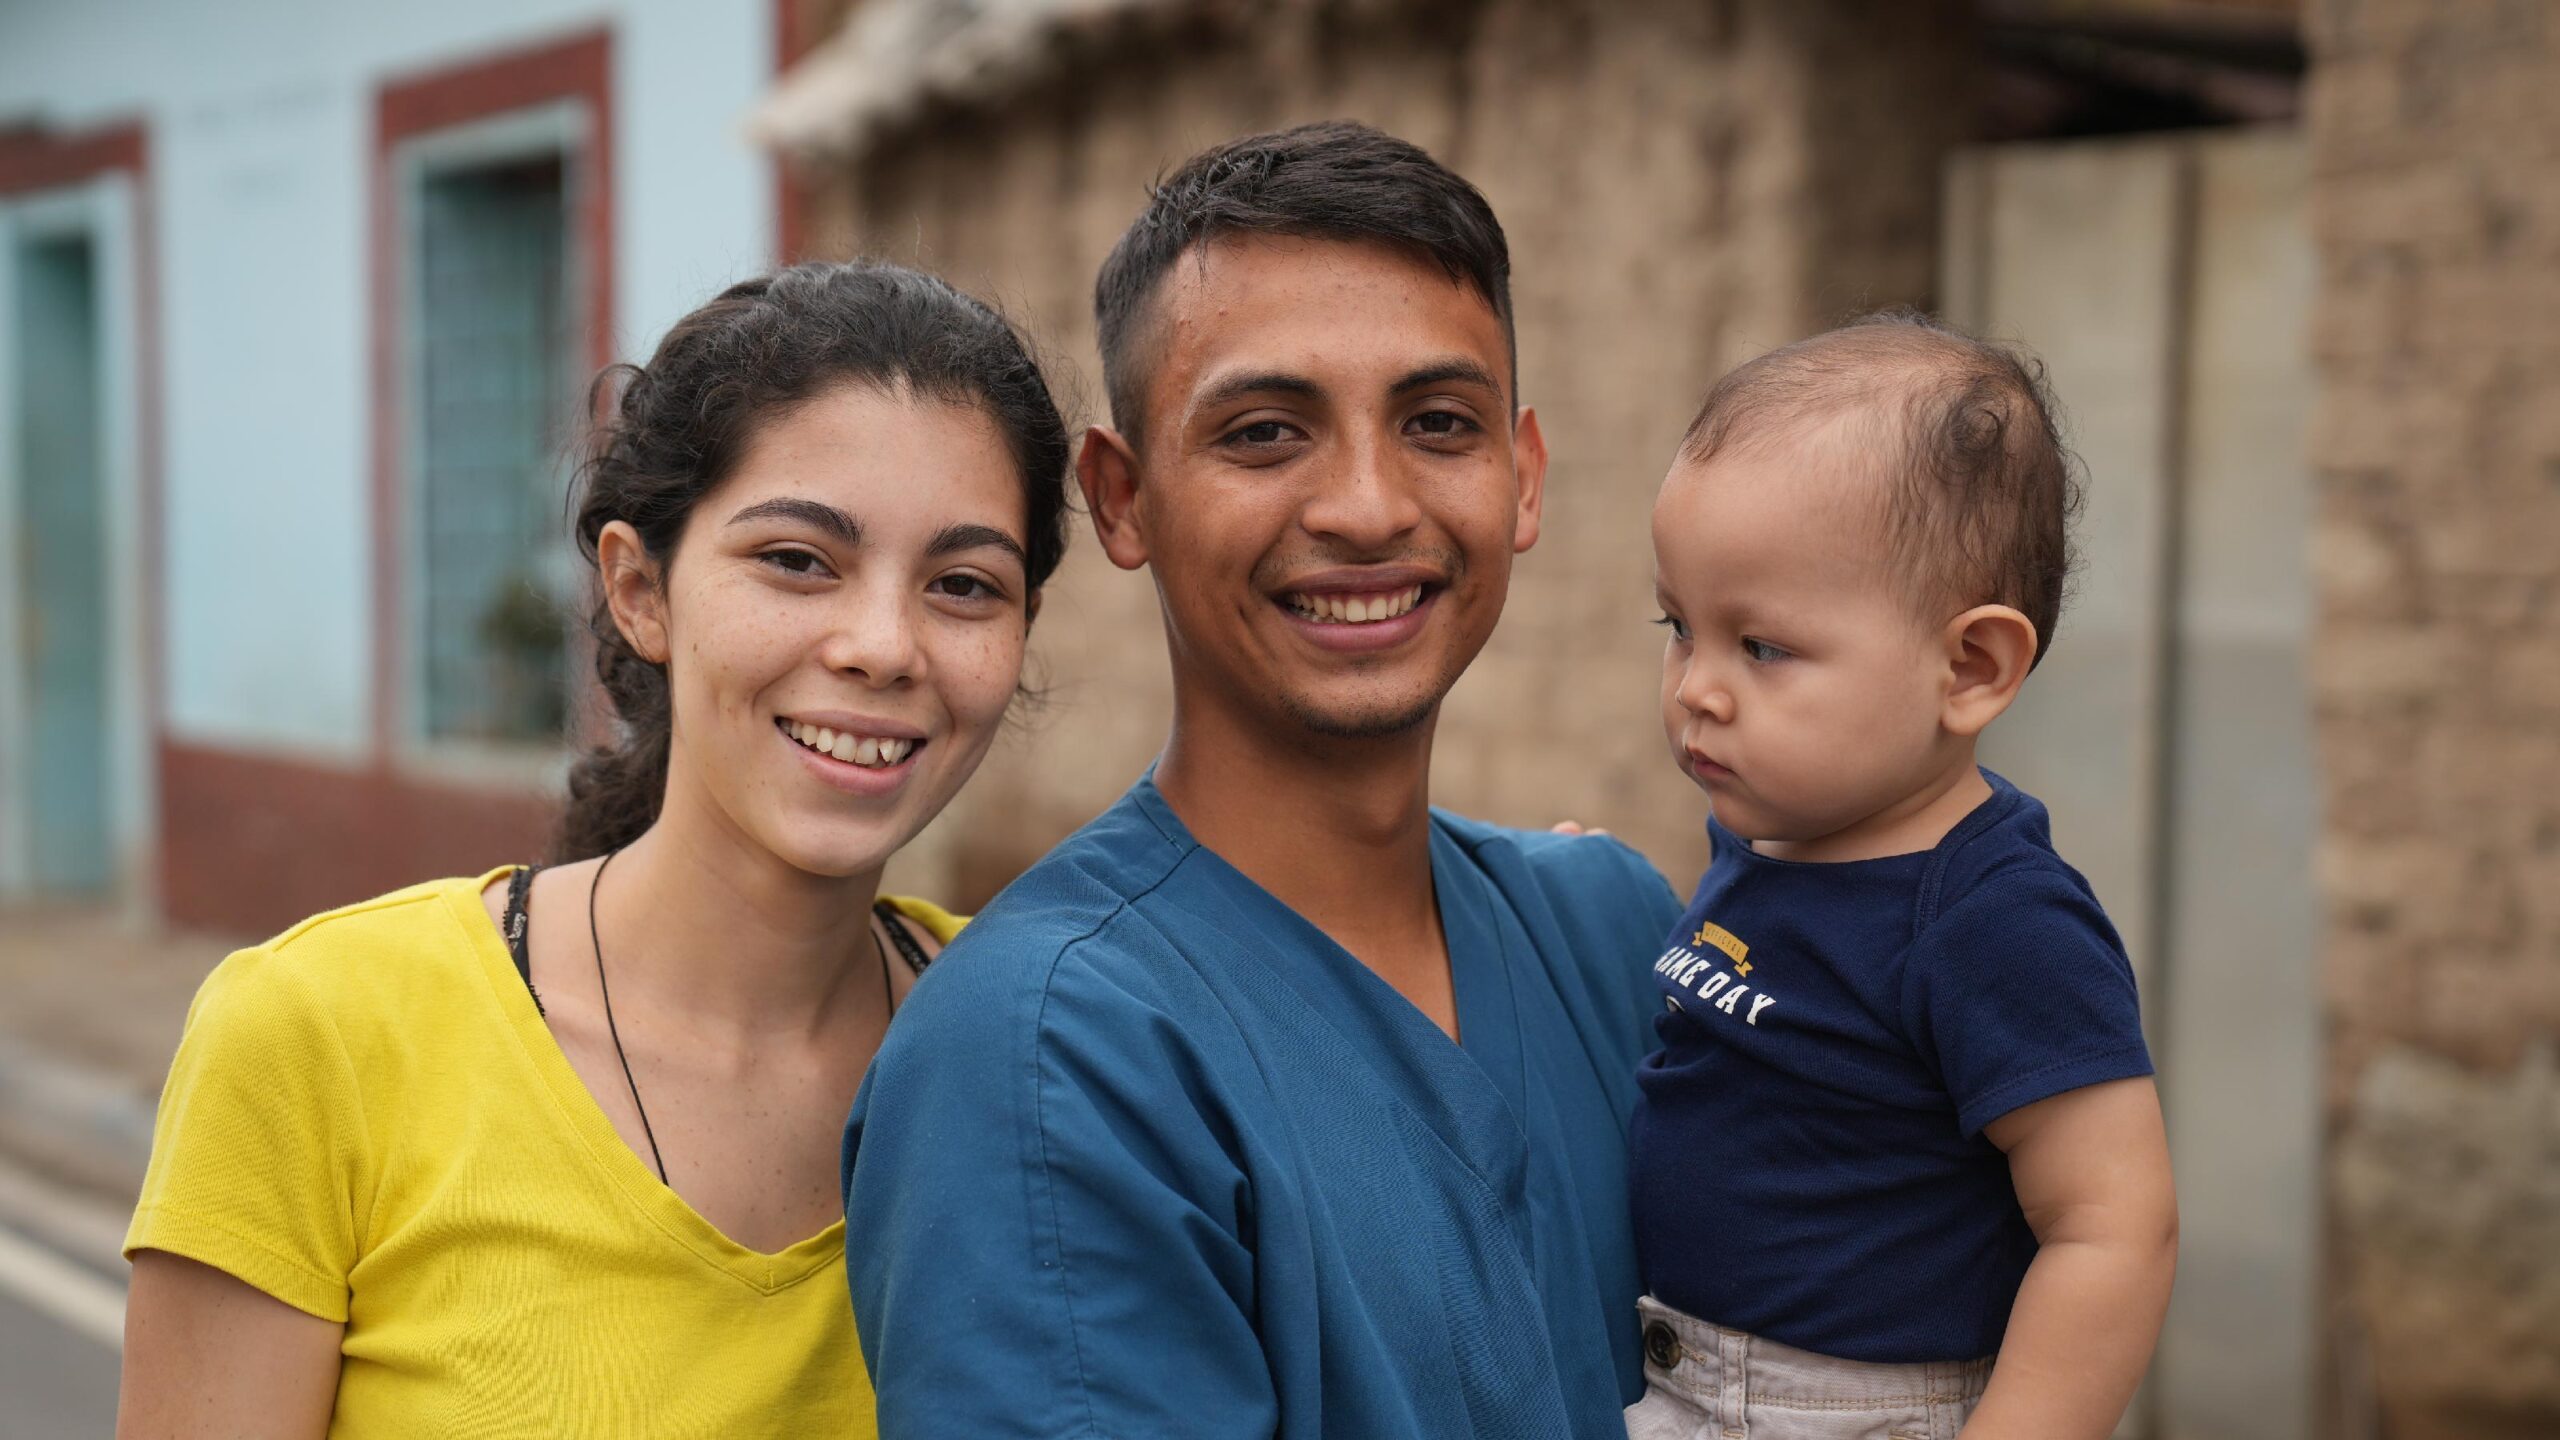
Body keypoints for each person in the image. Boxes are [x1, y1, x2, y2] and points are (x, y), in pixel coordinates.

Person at [115, 261, 1071, 1438]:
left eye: (964, 584)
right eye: (796, 560)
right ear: (640, 590)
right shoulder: (318, 1038)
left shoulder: (1049, 1059)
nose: (883, 645)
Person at [842, 121, 1681, 1439]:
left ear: (1521, 478)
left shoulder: (1610, 935)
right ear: (1121, 500)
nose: (1365, 505)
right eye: (1266, 431)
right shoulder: (1049, 1048)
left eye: (1438, 423)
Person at [1628, 311, 2178, 1440]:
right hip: (1673, 1374)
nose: (1697, 687)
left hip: (1843, 1410)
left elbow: (2113, 1227)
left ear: (1970, 667)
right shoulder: (1763, 837)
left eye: (1762, 647)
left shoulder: (1990, 921)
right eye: (1678, 626)